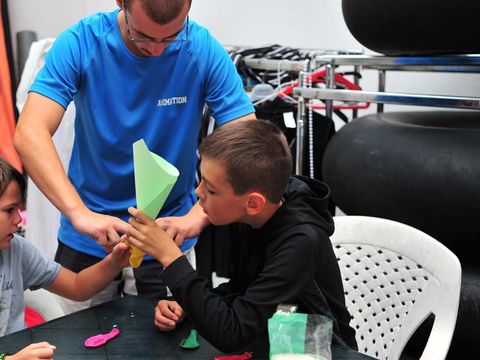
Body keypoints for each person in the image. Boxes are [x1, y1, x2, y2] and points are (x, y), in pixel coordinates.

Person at [13, 0, 255, 311]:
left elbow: (247, 143)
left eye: (170, 37)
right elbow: (29, 132)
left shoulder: (201, 48)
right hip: (89, 235)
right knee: (79, 347)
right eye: (143, 36)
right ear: (120, 2)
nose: (157, 50)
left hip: (167, 236)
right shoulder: (82, 42)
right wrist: (79, 214)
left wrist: (197, 216)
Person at [125, 119, 357, 353]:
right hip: (274, 340)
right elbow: (243, 293)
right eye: (201, 181)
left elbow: (232, 332)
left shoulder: (300, 243)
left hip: (320, 350)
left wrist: (171, 258)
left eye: (211, 189)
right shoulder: (255, 217)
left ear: (253, 203)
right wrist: (187, 305)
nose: (198, 193)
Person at [0, 157, 131, 359]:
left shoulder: (16, 250)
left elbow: (77, 286)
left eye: (19, 209)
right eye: (10, 210)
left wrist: (115, 262)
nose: (18, 219)